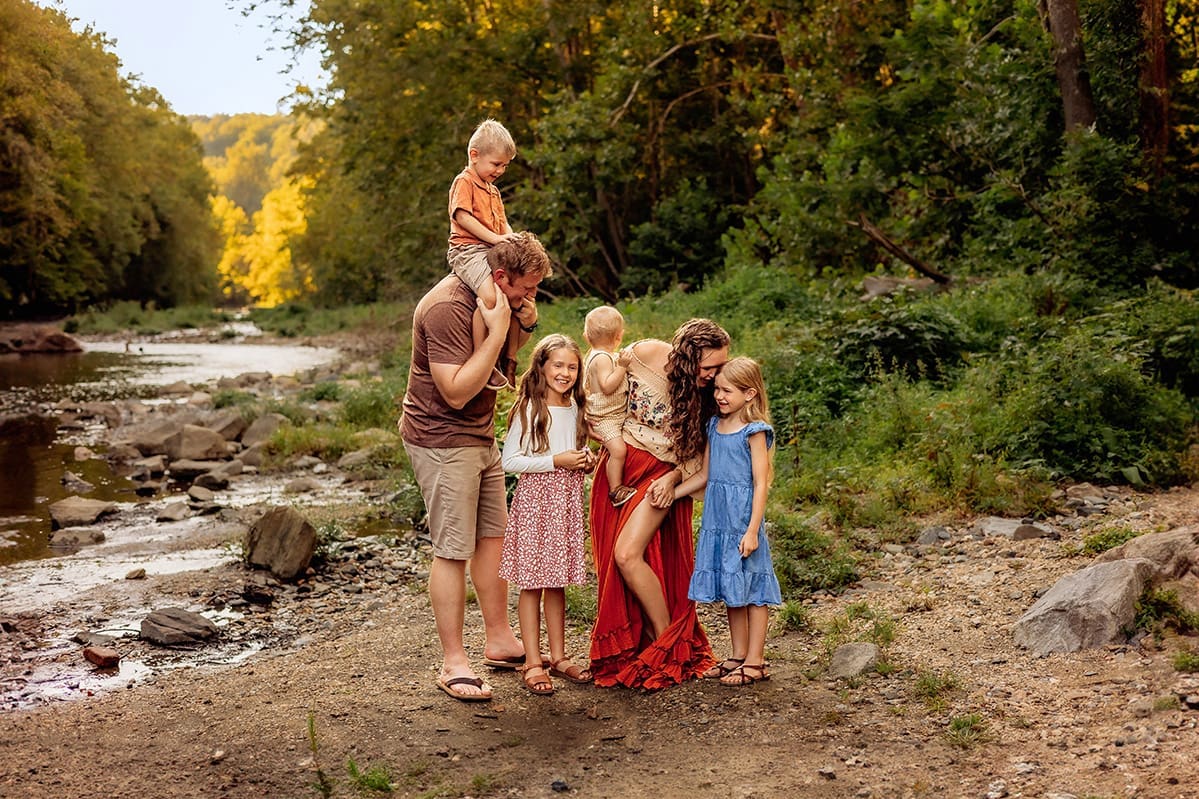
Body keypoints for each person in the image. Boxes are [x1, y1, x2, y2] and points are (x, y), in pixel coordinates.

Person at [400, 233, 553, 702]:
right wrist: (497, 323)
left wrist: (522, 322)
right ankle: (454, 663)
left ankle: (500, 638)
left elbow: (505, 363)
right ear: (499, 276)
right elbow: (457, 390)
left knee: (494, 537)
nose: (529, 297)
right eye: (525, 289)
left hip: (480, 435)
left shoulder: (498, 299)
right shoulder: (447, 306)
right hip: (442, 439)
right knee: (452, 550)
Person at [588, 318, 731, 690]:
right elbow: (606, 387)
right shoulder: (646, 353)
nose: (715, 375)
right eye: (709, 366)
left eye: (720, 367)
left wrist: (672, 478)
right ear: (687, 357)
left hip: (662, 476)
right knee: (613, 560)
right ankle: (642, 641)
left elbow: (701, 457)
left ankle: (668, 642)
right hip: (619, 466)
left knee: (627, 555)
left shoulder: (708, 397)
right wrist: (596, 426)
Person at [674, 356, 782, 686]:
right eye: (718, 389)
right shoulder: (714, 426)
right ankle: (737, 655)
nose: (720, 396)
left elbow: (761, 482)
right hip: (718, 520)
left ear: (749, 394)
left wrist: (752, 531)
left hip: (742, 521)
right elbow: (706, 474)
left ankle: (756, 660)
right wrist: (673, 494)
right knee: (732, 589)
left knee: (754, 589)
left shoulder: (755, 432)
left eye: (728, 391)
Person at [499, 334, 596, 695]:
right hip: (536, 504)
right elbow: (510, 461)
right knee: (533, 583)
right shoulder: (530, 408)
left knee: (557, 582)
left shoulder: (575, 407)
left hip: (566, 503)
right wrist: (555, 461)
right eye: (558, 365)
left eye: (572, 367)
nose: (565, 373)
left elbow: (574, 452)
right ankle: (533, 662)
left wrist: (585, 461)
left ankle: (558, 656)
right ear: (541, 366)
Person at [445, 118, 528, 388]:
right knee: (491, 297)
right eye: (496, 164)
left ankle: (510, 358)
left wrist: (512, 241)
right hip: (467, 249)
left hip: (491, 249)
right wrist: (496, 239)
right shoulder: (464, 181)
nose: (501, 170)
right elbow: (462, 216)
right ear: (474, 156)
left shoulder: (493, 191)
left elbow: (504, 224)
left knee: (517, 290)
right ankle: (485, 360)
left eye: (505, 165)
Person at [582, 305, 635, 507]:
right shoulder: (602, 358)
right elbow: (607, 386)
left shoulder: (600, 355)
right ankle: (615, 490)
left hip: (613, 415)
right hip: (604, 417)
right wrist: (622, 367)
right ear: (619, 336)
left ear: (586, 336)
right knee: (618, 451)